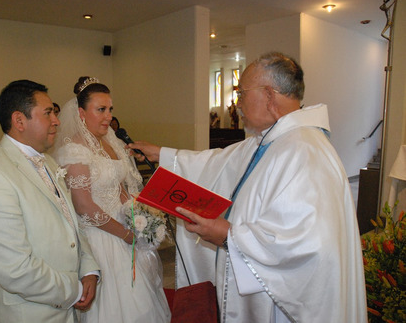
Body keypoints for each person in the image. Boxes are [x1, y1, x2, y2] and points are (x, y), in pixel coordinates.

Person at [129, 52, 367, 322]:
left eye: (241, 93)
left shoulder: (304, 152)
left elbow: (308, 243)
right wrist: (162, 154)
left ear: (268, 95)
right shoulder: (273, 140)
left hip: (281, 306)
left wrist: (228, 235)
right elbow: (219, 163)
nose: (237, 103)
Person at [0, 80, 99, 323]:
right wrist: (74, 289)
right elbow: (15, 270)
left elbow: (71, 224)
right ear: (19, 121)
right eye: (48, 113)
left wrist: (89, 270)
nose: (57, 120)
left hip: (65, 307)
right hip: (29, 313)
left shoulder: (47, 162)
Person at [53, 76, 171, 322]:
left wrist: (139, 217)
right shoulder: (73, 150)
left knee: (141, 302)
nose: (108, 116)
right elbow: (83, 206)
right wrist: (126, 234)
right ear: (81, 113)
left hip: (125, 228)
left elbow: (121, 187)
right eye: (101, 110)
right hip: (101, 238)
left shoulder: (111, 142)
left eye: (110, 109)